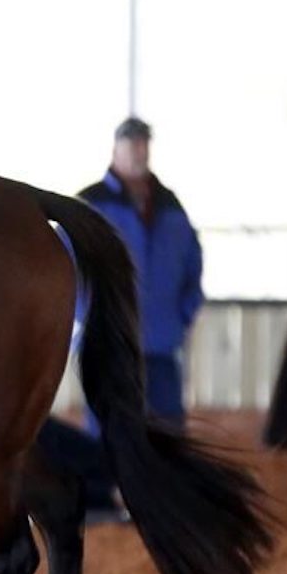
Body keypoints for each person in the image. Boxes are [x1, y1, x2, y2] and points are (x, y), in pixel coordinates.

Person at [79, 117, 204, 432]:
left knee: (169, 434)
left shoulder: (171, 206)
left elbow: (193, 264)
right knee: (108, 433)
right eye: (131, 143)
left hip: (161, 345)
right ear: (115, 149)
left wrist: (181, 316)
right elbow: (69, 267)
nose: (138, 150)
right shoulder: (90, 204)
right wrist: (90, 320)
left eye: (143, 142)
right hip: (109, 347)